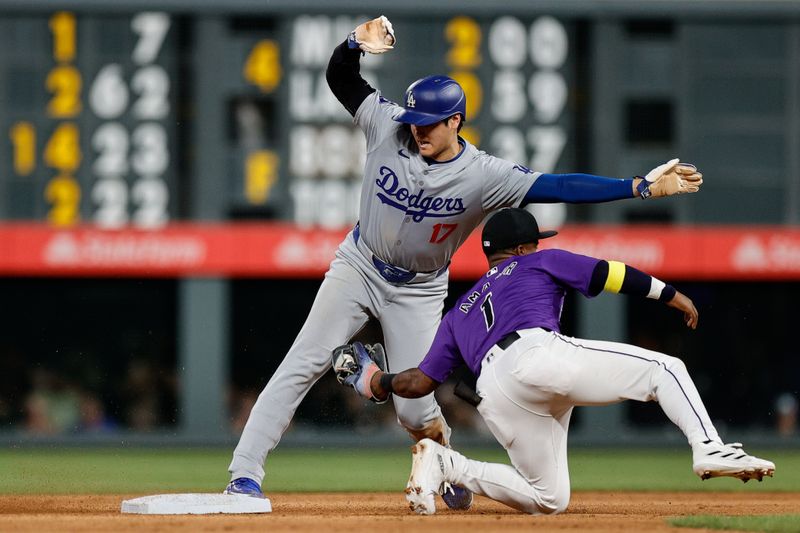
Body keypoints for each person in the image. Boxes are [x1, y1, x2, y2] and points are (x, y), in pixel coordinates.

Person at [225, 15, 704, 508]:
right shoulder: (388, 124)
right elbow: (340, 79)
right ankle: (244, 474)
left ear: (455, 120)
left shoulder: (482, 175)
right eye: (414, 120)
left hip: (419, 289)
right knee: (303, 361)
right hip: (359, 265)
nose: (417, 130)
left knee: (414, 413)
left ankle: (445, 460)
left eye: (428, 122)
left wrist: (637, 187)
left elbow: (557, 184)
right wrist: (352, 44)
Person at [335, 207, 775, 515]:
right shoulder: (538, 262)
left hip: (495, 394)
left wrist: (377, 381)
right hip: (536, 355)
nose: (538, 246)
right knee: (665, 369)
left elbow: (418, 383)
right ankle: (708, 449)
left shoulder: (460, 310)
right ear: (524, 248)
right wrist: (672, 295)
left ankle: (447, 463)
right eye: (534, 242)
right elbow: (610, 273)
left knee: (549, 499)